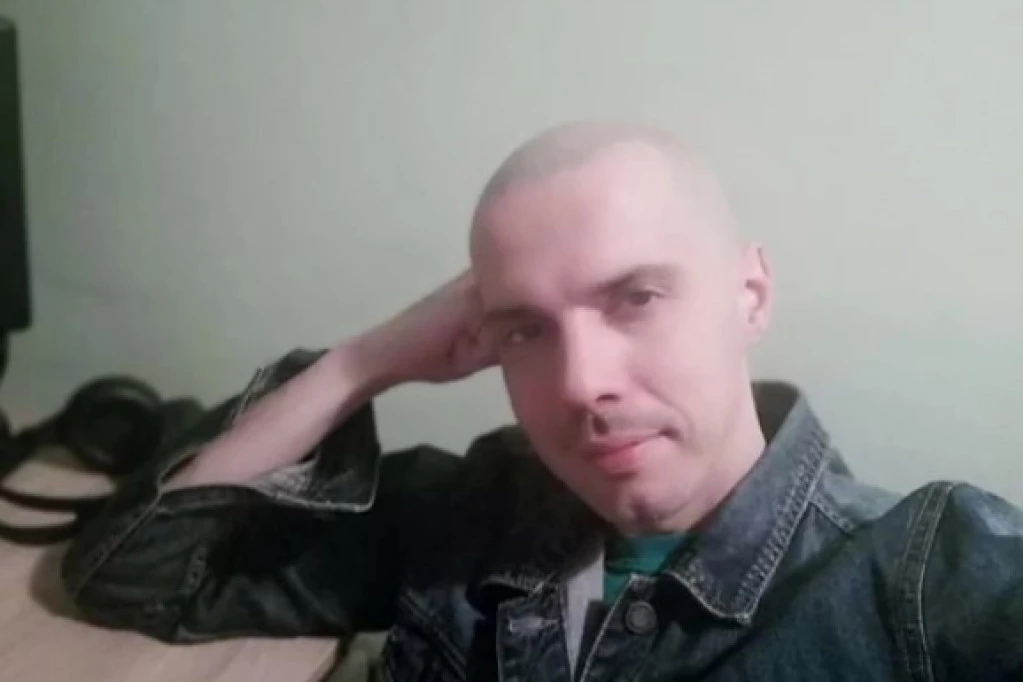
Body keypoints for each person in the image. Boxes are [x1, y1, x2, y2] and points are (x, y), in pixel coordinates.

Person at [61, 122, 1023, 681]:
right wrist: (365, 361)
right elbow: (140, 574)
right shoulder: (470, 517)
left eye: (635, 298)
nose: (576, 383)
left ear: (750, 295)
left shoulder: (928, 575)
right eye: (524, 329)